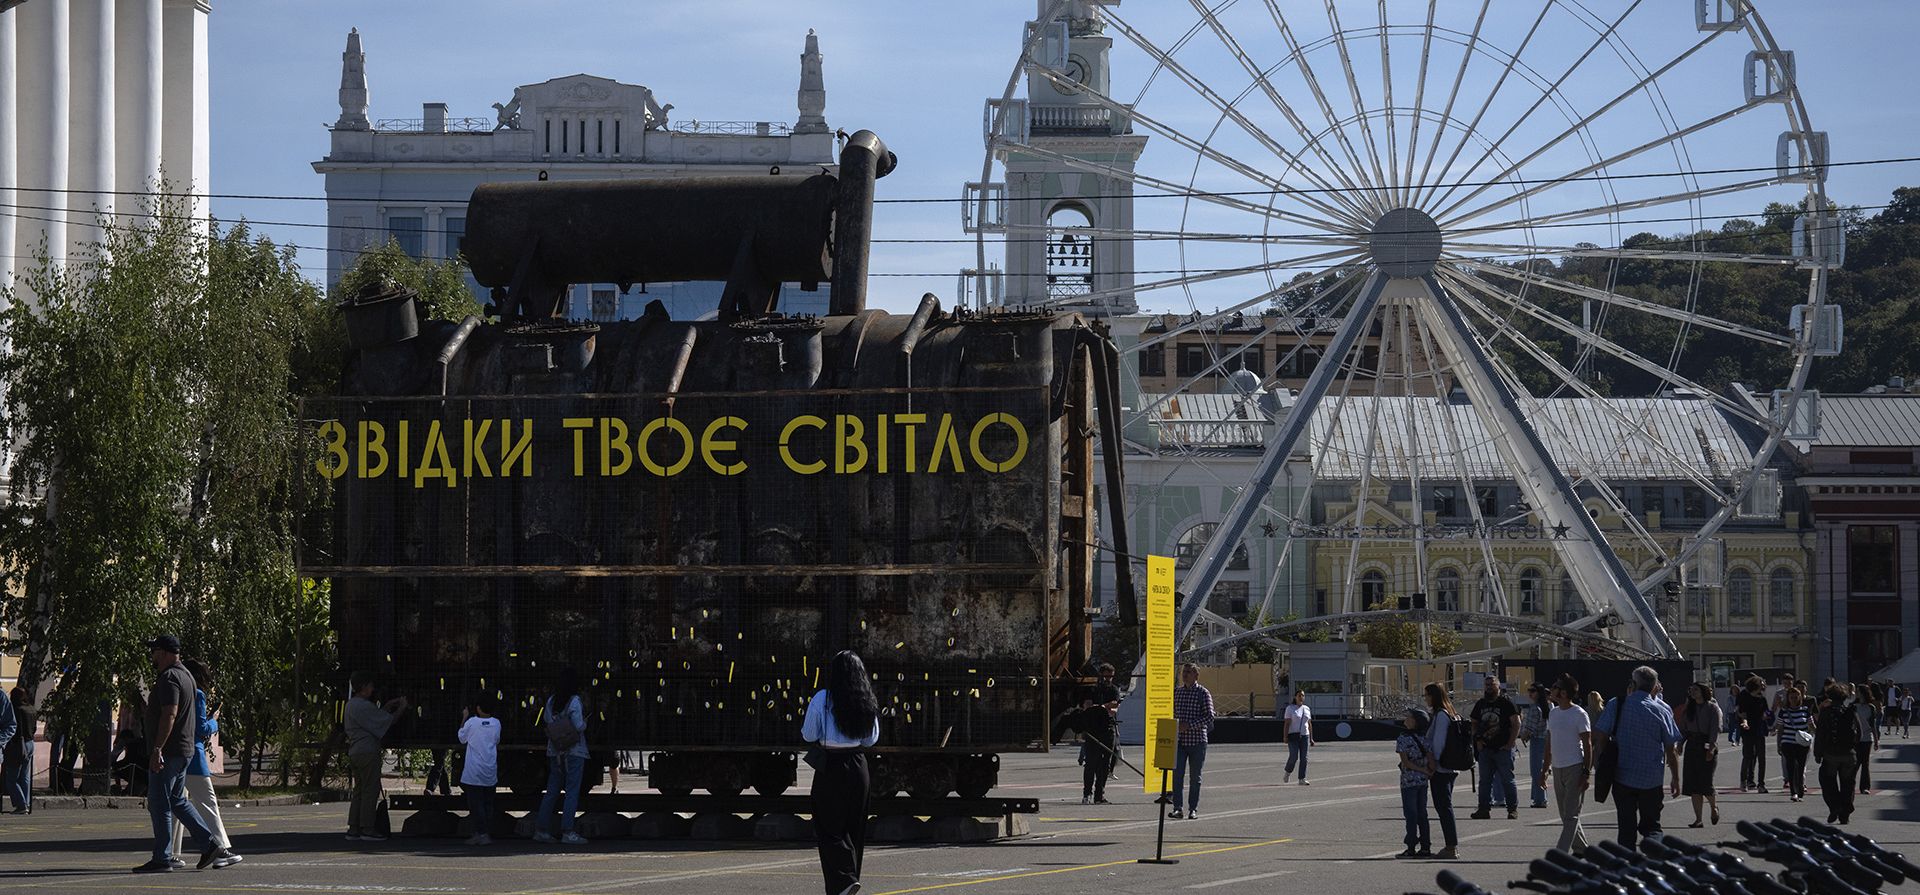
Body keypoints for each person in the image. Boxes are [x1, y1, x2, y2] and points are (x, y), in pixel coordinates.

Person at [133, 634, 235, 873]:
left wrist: (157, 748)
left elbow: (170, 713)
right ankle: (210, 845)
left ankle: (162, 857)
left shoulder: (170, 677)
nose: (152, 655)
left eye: (155, 651)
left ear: (165, 652)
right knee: (177, 800)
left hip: (169, 751)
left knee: (159, 803)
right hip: (183, 750)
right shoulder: (187, 676)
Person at [803, 650, 880, 895]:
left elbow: (809, 735)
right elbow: (871, 740)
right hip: (858, 764)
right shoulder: (866, 698)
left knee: (828, 826)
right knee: (855, 827)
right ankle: (851, 877)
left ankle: (843, 880)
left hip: (832, 765)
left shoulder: (823, 698)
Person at [1592, 666, 1682, 850]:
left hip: (1623, 775)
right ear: (1654, 686)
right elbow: (1671, 749)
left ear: (1633, 684)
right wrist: (1675, 778)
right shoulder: (1662, 710)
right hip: (1652, 778)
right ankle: (1655, 854)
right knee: (1652, 826)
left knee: (1626, 827)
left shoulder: (1617, 704)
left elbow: (1601, 737)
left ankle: (1627, 862)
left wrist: (1599, 762)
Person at [170, 660, 238, 865]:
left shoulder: (178, 692)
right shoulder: (198, 694)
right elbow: (201, 728)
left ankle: (170, 853)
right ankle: (220, 848)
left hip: (176, 754)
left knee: (176, 805)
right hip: (194, 755)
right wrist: (214, 720)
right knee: (208, 803)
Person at [343, 670, 407, 842]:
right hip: (367, 751)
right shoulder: (364, 706)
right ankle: (368, 828)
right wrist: (401, 707)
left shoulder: (351, 705)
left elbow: (375, 717)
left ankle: (354, 827)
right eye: (370, 686)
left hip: (355, 751)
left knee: (359, 791)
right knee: (370, 791)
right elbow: (387, 721)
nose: (372, 689)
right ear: (363, 687)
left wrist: (388, 705)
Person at [534, 667, 590, 845]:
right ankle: (567, 831)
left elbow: (547, 721)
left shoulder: (551, 700)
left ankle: (541, 829)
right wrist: (586, 723)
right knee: (571, 791)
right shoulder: (574, 701)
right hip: (574, 751)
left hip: (555, 750)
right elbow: (578, 726)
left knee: (552, 791)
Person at [1541, 675, 1591, 853]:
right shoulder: (1553, 713)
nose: (1551, 689)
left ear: (1563, 693)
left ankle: (1560, 853)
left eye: (1555, 687)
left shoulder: (1579, 714)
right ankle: (1582, 849)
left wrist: (1586, 772)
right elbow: (1549, 743)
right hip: (1557, 767)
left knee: (1571, 815)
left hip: (1574, 767)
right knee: (1565, 814)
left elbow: (1587, 744)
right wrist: (1544, 769)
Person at [1468, 676, 1519, 820]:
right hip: (1485, 749)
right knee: (1484, 781)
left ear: (1498, 686)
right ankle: (1483, 809)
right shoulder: (1481, 704)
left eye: (1492, 684)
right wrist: (1477, 739)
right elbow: (1473, 722)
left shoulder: (1506, 703)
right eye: (1486, 684)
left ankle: (1512, 809)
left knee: (1507, 780)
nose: (1489, 687)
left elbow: (1516, 723)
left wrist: (1510, 743)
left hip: (1502, 749)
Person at [1168, 663, 1213, 820]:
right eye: (1183, 672)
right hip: (1180, 741)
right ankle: (1177, 808)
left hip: (1197, 741)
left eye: (1188, 672)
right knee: (1177, 776)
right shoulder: (1177, 692)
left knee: (1195, 778)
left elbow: (1210, 716)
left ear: (1196, 675)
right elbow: (1172, 712)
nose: (1185, 675)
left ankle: (1193, 809)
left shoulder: (1203, 693)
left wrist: (1189, 725)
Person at [1423, 682, 1462, 860]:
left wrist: (1433, 763)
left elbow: (1438, 742)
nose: (1425, 699)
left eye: (1427, 695)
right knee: (1444, 806)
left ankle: (1451, 847)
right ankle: (1451, 845)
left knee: (1444, 807)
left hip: (1441, 768)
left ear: (1434, 696)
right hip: (1450, 766)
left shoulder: (1441, 715)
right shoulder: (1451, 713)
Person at [1814, 683, 1860, 824]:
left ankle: (1834, 806)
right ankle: (1845, 812)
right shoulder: (1850, 711)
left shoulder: (1826, 712)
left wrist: (1818, 753)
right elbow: (1859, 732)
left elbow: (1820, 734)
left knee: (1828, 781)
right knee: (1848, 784)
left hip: (1831, 754)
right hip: (1849, 754)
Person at [458, 697, 501, 846]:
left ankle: (481, 834)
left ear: (478, 708)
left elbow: (462, 738)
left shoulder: (472, 723)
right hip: (490, 769)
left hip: (474, 770)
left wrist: (464, 717)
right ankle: (485, 832)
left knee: (476, 805)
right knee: (488, 804)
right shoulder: (496, 723)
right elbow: (496, 740)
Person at [1680, 682, 1722, 828]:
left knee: (1705, 782)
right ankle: (1698, 819)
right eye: (1691, 690)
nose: (1693, 692)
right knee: (1693, 785)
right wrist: (1680, 744)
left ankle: (1713, 807)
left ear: (1703, 692)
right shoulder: (1689, 709)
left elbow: (1715, 729)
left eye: (1696, 690)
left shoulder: (1712, 708)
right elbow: (1684, 729)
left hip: (1706, 746)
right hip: (1692, 747)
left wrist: (1711, 748)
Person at [1395, 707, 1434, 859]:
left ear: (1415, 722)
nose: (1406, 719)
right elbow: (1431, 761)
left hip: (1408, 781)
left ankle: (1411, 847)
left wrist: (1420, 769)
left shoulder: (1403, 738)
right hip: (1423, 781)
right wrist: (1427, 771)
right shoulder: (1426, 738)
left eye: (1409, 717)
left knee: (1411, 814)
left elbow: (1406, 762)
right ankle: (1425, 847)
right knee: (1422, 814)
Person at [1079, 663, 1121, 804]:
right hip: (1093, 729)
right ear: (1100, 675)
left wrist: (1099, 707)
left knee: (1105, 764)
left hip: (1108, 729)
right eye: (1106, 676)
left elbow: (1113, 710)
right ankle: (1087, 794)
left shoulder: (1114, 690)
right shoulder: (1092, 690)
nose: (1108, 679)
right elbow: (1087, 707)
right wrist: (1105, 706)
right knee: (1090, 763)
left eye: (1111, 676)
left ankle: (1099, 795)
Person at [1774, 686, 1812, 803]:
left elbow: (1811, 726)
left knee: (1800, 768)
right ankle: (1793, 792)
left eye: (1796, 697)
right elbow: (1780, 728)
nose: (1794, 700)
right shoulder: (1784, 712)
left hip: (1802, 744)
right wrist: (1779, 744)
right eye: (1791, 698)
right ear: (1788, 699)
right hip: (1788, 742)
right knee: (1791, 767)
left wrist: (1818, 734)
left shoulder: (1805, 710)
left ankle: (1800, 790)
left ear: (1800, 697)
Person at [1736, 675, 1770, 792]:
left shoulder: (1762, 699)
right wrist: (1745, 723)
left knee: (1762, 758)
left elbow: (1767, 711)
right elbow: (1742, 714)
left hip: (1760, 731)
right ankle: (1743, 781)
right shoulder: (1745, 698)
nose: (1763, 686)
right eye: (1761, 684)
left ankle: (1761, 784)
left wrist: (1767, 715)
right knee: (1748, 756)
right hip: (1748, 731)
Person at [1520, 683, 1550, 809]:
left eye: (1533, 691)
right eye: (1529, 690)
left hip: (1537, 740)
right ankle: (1540, 797)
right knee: (1542, 769)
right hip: (1546, 739)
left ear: (1539, 693)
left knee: (1536, 771)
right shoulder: (1548, 705)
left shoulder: (1534, 708)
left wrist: (1524, 736)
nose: (1530, 693)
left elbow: (1530, 727)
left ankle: (1540, 799)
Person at [3, 686, 31, 814]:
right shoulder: (30, 709)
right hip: (30, 743)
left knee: (12, 778)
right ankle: (26, 803)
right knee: (25, 776)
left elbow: (13, 728)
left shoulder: (16, 710)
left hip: (18, 744)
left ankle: (21, 804)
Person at [1282, 689, 1313, 785]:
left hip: (1305, 736)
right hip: (1293, 735)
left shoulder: (1306, 709)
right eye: (1299, 695)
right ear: (1295, 697)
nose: (1301, 697)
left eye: (1303, 695)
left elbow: (1309, 724)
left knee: (1304, 758)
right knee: (1294, 756)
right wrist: (1285, 736)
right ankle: (1288, 772)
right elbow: (1287, 723)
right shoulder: (1290, 708)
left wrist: (1311, 738)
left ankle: (1302, 778)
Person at [1851, 683, 1877, 795]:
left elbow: (1873, 725)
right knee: (1855, 763)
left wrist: (1876, 740)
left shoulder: (1871, 707)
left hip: (1867, 738)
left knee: (1865, 763)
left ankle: (1865, 787)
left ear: (1863, 693)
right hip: (1855, 738)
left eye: (1858, 691)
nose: (1857, 693)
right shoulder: (1853, 706)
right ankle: (1850, 784)